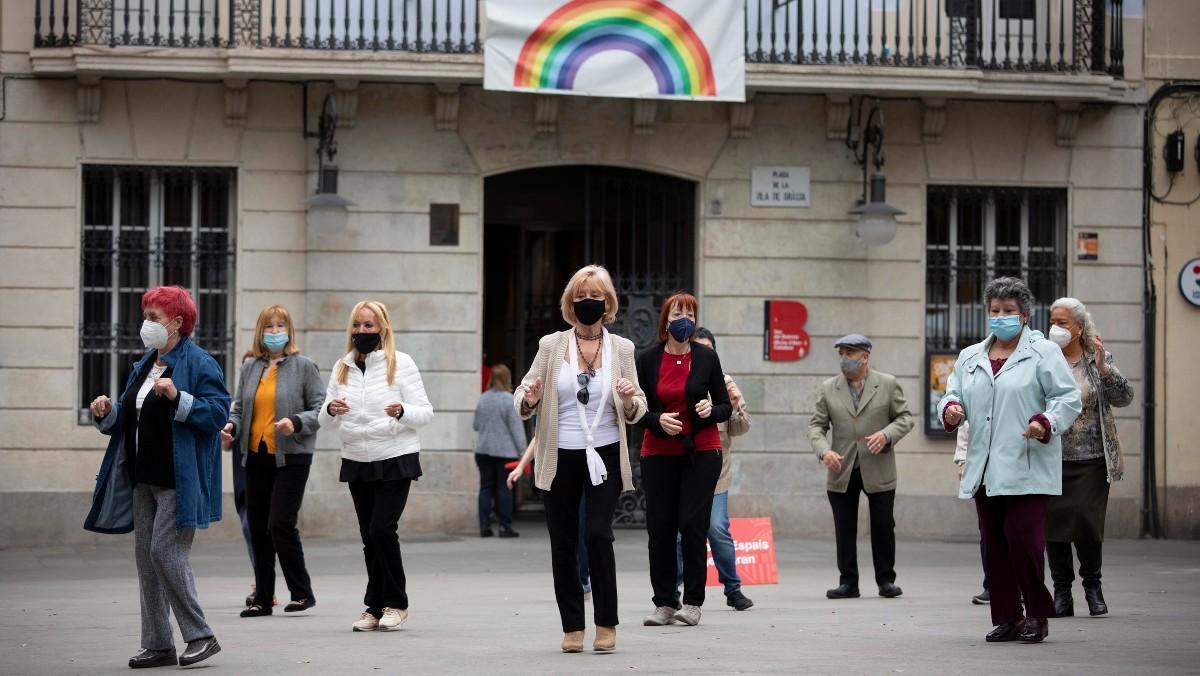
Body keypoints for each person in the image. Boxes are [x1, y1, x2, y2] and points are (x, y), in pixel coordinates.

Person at [84, 286, 229, 669]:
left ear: (178, 323)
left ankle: (200, 636)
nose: (146, 324)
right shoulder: (145, 364)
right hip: (141, 477)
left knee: (165, 552)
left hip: (178, 476)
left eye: (154, 317)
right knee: (146, 561)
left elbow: (217, 414)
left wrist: (179, 398)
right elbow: (132, 419)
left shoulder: (199, 363)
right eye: (145, 316)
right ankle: (158, 644)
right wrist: (106, 412)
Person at [939, 277, 1082, 644]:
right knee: (994, 546)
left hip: (1027, 464)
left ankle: (1036, 613)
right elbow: (952, 393)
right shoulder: (971, 356)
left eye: (1008, 311)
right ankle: (1007, 617)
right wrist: (952, 408)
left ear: (1025, 315)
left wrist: (1045, 421)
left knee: (1023, 540)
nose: (1000, 317)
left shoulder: (1043, 352)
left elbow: (1067, 398)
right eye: (995, 311)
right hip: (985, 468)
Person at [514, 264, 647, 654]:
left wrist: (627, 400)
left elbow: (639, 405)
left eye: (596, 298)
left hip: (603, 452)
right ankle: (572, 626)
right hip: (559, 453)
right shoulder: (551, 345)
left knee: (598, 536)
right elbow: (524, 392)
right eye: (581, 298)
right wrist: (530, 398)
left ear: (608, 304)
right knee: (563, 542)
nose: (589, 304)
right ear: (570, 304)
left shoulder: (622, 349)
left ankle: (606, 623)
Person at [318, 300, 435, 633]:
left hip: (396, 454)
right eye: (357, 325)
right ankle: (374, 606)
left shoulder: (401, 364)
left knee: (383, 529)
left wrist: (402, 412)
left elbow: (425, 412)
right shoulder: (342, 366)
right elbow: (323, 420)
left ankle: (397, 603)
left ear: (382, 328)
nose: (362, 331)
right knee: (369, 536)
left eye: (368, 325)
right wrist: (331, 409)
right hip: (357, 458)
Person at [222, 305, 325, 617]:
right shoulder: (250, 368)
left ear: (289, 331)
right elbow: (239, 408)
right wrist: (231, 427)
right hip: (255, 455)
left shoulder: (304, 366)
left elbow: (320, 408)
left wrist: (295, 421)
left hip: (292, 455)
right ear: (260, 331)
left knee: (279, 522)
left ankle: (302, 592)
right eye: (270, 326)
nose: (275, 331)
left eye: (281, 326)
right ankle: (263, 598)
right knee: (257, 527)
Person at [636, 293, 733, 628]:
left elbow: (725, 406)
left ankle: (692, 602)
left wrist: (709, 410)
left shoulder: (707, 357)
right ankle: (663, 602)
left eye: (690, 313)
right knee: (659, 529)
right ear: (665, 320)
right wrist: (656, 419)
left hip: (702, 452)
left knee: (693, 526)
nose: (684, 319)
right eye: (678, 312)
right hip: (659, 452)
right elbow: (636, 410)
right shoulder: (647, 359)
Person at [1045, 297, 1134, 618]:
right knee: (1052, 527)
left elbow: (1124, 398)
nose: (1055, 328)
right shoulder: (1043, 358)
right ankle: (1062, 593)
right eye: (1052, 321)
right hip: (1052, 458)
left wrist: (1104, 367)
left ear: (1080, 327)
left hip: (1093, 460)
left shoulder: (1096, 358)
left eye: (1063, 322)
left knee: (1087, 524)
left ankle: (1093, 589)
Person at [808, 334, 914, 601]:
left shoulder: (887, 384)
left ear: (865, 357)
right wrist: (824, 451)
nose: (844, 359)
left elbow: (904, 418)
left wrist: (887, 435)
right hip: (841, 467)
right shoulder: (828, 387)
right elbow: (816, 427)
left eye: (850, 353)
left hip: (879, 466)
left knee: (882, 525)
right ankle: (848, 582)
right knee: (844, 528)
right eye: (841, 353)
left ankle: (886, 580)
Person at [673, 327, 754, 611]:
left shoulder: (725, 382)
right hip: (684, 468)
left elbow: (741, 428)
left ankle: (733, 589)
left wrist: (733, 406)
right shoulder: (679, 380)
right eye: (698, 348)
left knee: (717, 528)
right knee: (680, 532)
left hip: (716, 472)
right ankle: (674, 590)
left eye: (708, 349)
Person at [474, 364, 527, 538]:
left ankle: (484, 526)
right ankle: (505, 527)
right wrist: (524, 453)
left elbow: (475, 425)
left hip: (483, 450)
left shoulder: (483, 398)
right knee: (505, 488)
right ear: (507, 379)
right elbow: (516, 429)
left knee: (485, 488)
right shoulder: (508, 399)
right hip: (505, 452)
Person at [955, 421, 991, 606]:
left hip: (1015, 470)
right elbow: (966, 422)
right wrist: (962, 460)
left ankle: (1021, 585)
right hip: (983, 469)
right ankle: (991, 585)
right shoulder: (975, 390)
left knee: (1017, 532)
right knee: (988, 532)